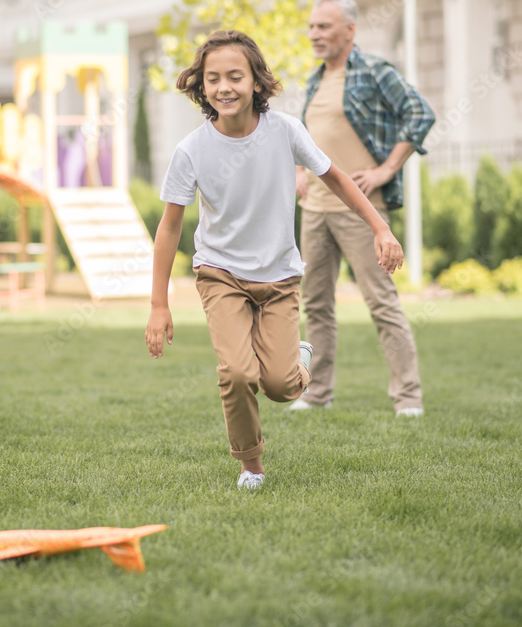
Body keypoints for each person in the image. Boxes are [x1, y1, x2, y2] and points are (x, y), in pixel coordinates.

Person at [144, 30, 404, 489]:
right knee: (239, 373)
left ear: (257, 82)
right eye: (213, 78)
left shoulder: (285, 131)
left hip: (280, 277)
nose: (224, 87)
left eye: (235, 77)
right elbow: (169, 228)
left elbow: (337, 179)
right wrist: (158, 304)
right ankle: (251, 465)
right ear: (201, 87)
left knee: (282, 386)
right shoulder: (192, 151)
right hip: (220, 273)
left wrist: (380, 227)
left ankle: (298, 359)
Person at [288, 0, 436, 418]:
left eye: (324, 27)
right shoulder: (315, 79)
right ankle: (317, 392)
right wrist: (300, 171)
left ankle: (407, 398)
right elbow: (307, 139)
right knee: (315, 304)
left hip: (361, 211)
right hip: (315, 210)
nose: (314, 34)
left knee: (381, 303)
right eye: (312, 26)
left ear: (349, 30)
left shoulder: (374, 72)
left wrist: (387, 169)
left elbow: (419, 114)